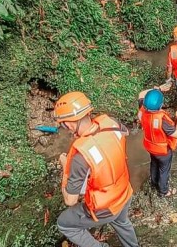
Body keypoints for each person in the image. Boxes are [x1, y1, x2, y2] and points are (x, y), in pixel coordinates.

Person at [54, 91, 139, 247]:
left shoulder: (80, 157)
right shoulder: (111, 123)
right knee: (121, 221)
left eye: (63, 123)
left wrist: (66, 167)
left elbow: (70, 200)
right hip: (125, 192)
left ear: (70, 123)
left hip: (104, 208)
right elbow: (124, 132)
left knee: (64, 224)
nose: (64, 127)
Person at [137, 88, 177, 198]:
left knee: (154, 164)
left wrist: (157, 88)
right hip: (163, 151)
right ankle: (164, 191)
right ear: (161, 105)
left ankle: (153, 183)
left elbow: (141, 93)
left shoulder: (142, 111)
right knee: (164, 170)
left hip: (150, 147)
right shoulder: (162, 121)